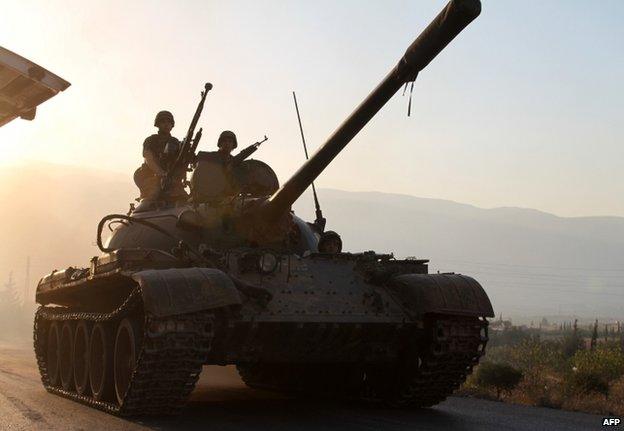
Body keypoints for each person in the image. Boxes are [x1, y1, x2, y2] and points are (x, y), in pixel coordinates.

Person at [134, 111, 183, 200]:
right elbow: (149, 159)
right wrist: (162, 174)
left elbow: (181, 163)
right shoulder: (151, 140)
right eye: (163, 122)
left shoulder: (176, 143)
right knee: (154, 196)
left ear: (172, 125)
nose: (166, 124)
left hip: (169, 180)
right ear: (158, 124)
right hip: (148, 176)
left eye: (169, 122)